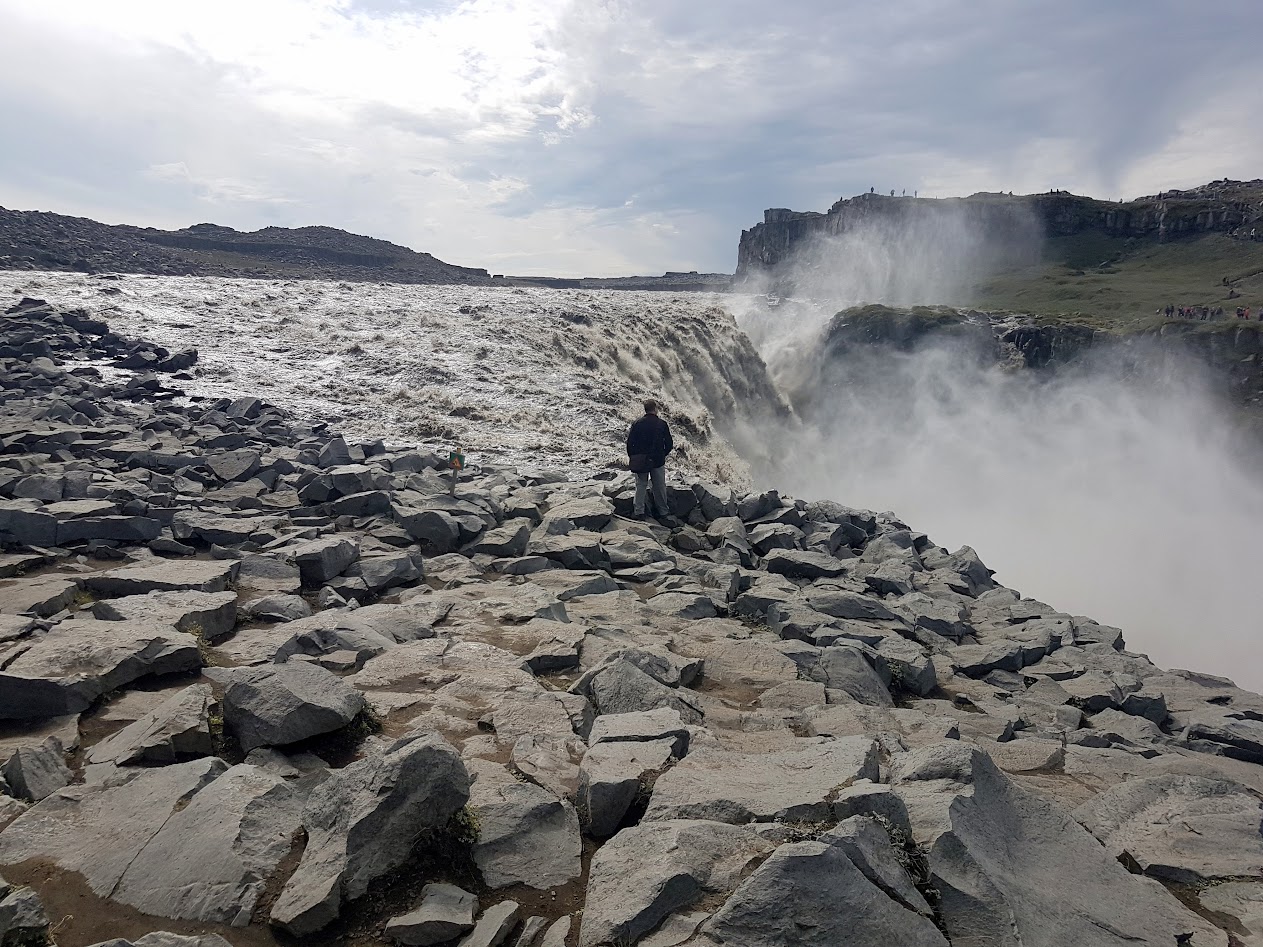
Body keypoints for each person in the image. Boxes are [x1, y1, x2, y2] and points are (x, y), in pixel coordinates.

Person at [626, 399, 674, 520]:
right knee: (659, 486)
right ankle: (663, 512)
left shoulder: (637, 423)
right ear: (655, 409)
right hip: (657, 460)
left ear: (645, 409)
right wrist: (663, 454)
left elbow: (630, 442)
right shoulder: (662, 424)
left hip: (641, 460)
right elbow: (669, 443)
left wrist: (633, 457)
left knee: (641, 485)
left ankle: (638, 512)